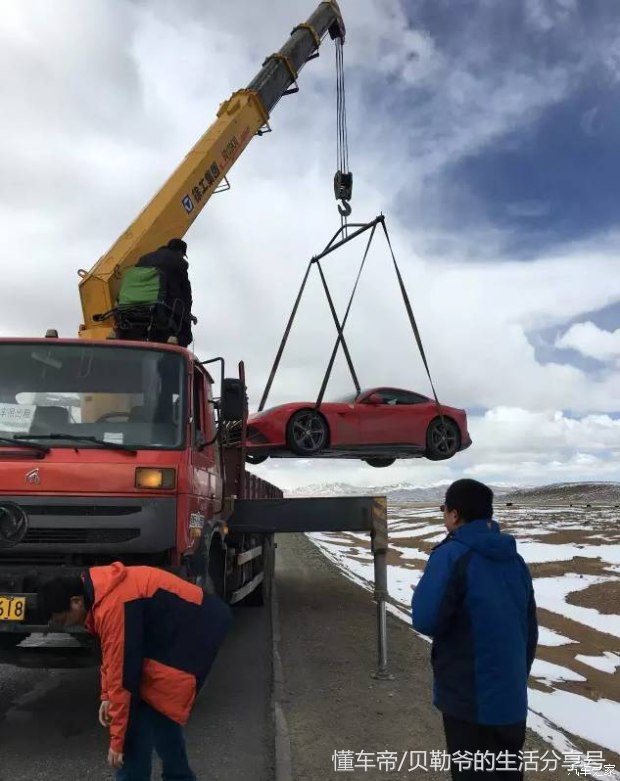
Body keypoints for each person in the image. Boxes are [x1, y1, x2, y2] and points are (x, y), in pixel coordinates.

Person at [37, 562, 232, 780]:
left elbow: (123, 678)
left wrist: (117, 744)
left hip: (195, 632)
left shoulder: (113, 605)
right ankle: (179, 776)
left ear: (76, 601)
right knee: (158, 710)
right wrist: (106, 697)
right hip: (179, 628)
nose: (65, 626)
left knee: (141, 712)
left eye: (63, 620)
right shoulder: (99, 593)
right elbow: (111, 655)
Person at [411, 478, 538, 780]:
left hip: (470, 700)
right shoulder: (515, 560)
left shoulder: (452, 555)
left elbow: (425, 619)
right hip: (511, 698)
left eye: (444, 509)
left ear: (454, 515)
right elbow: (529, 629)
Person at [135, 238, 196, 347]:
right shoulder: (179, 262)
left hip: (135, 307)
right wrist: (187, 313)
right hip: (166, 308)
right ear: (180, 252)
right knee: (185, 336)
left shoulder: (144, 259)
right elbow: (186, 290)